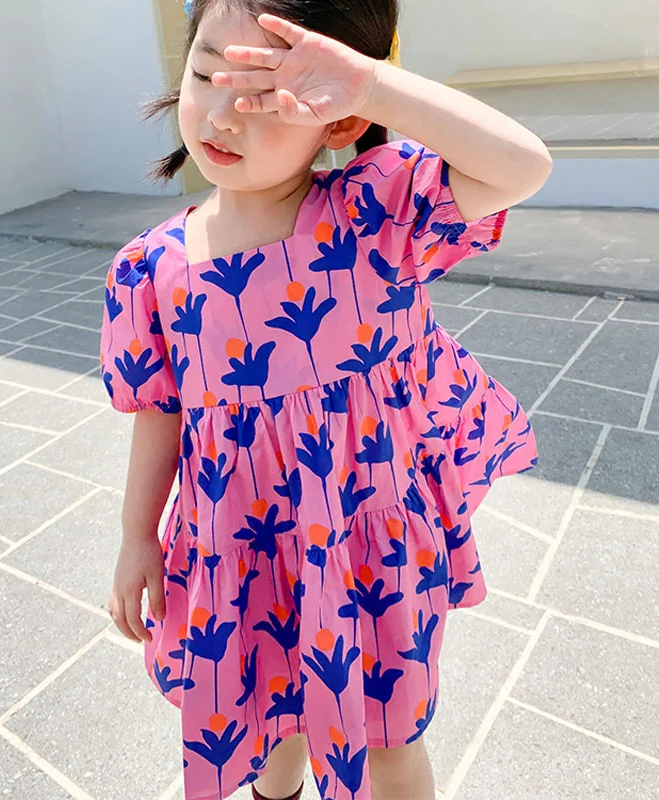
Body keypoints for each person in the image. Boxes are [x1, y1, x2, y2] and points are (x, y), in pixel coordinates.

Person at [102, 2, 551, 799]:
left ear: (338, 119)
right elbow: (160, 413)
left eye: (268, 98)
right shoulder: (150, 269)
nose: (224, 116)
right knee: (269, 724)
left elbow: (521, 165)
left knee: (387, 739)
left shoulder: (373, 217)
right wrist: (137, 537)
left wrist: (374, 86)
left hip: (363, 547)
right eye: (207, 74)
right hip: (243, 548)